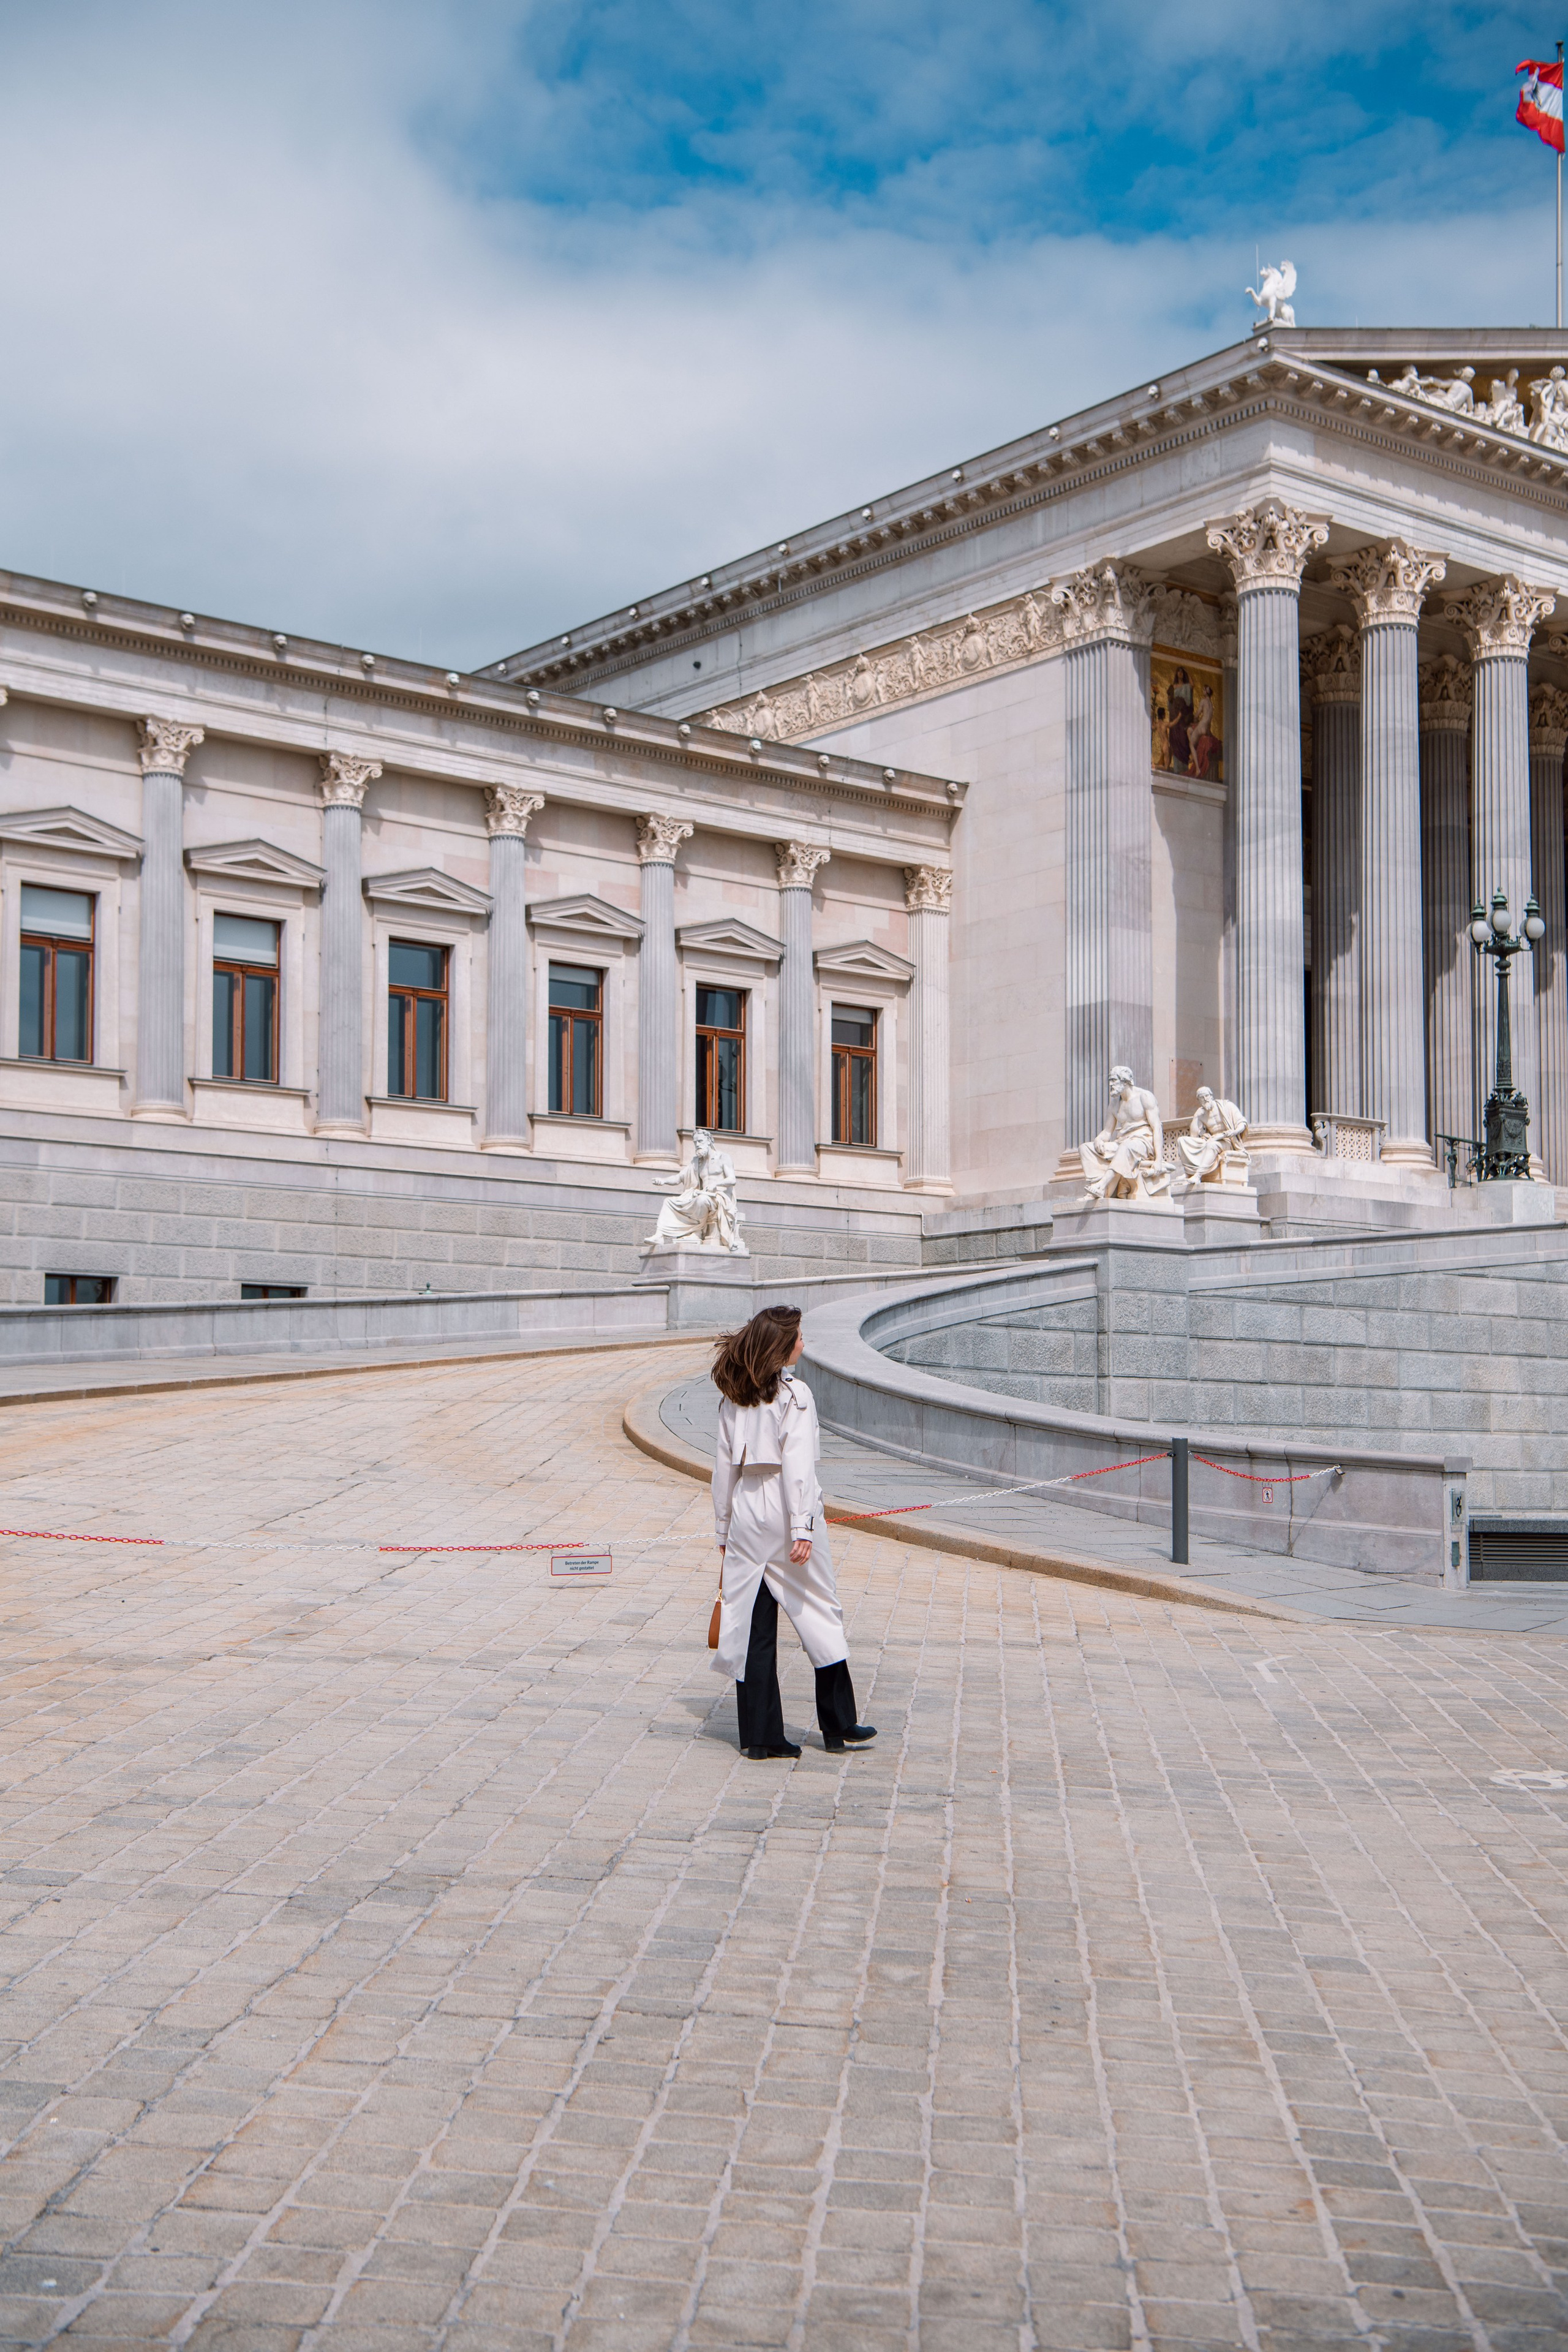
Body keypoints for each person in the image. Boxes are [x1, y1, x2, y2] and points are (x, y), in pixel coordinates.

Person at [709, 1304, 876, 1760]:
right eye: (799, 1336)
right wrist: (801, 1526)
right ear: (782, 1345)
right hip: (787, 1511)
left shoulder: (733, 1397)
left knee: (753, 1624)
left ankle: (761, 1737)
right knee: (820, 1608)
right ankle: (838, 1723)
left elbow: (724, 1468)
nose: (804, 1343)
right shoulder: (795, 1394)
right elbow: (799, 1466)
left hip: (746, 1510)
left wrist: (723, 1528)